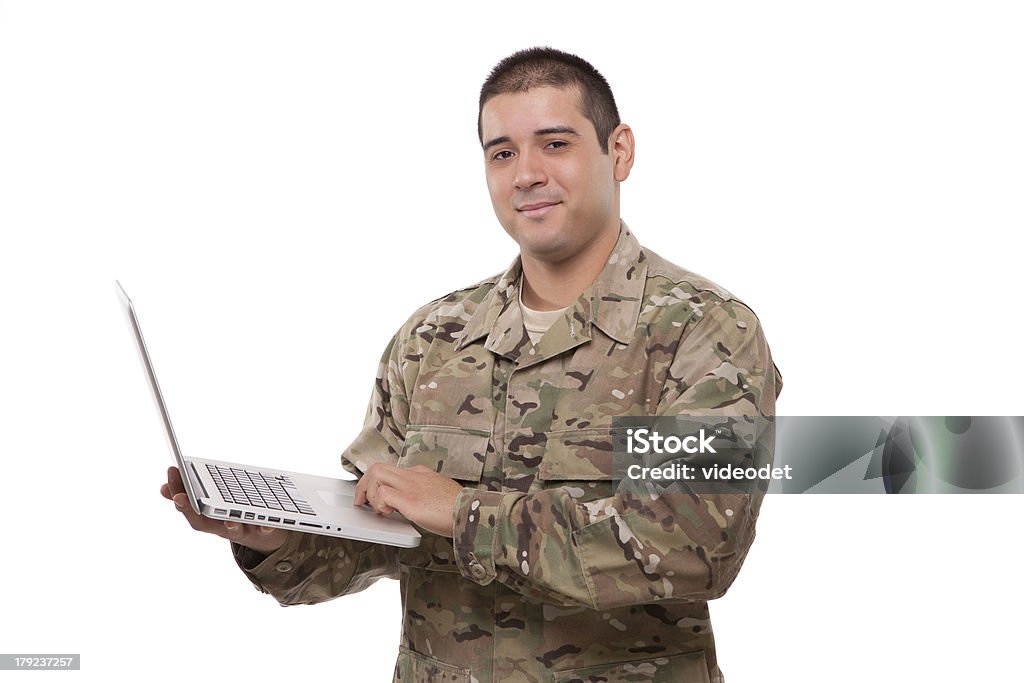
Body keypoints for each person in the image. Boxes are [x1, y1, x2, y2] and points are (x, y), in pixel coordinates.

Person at [161, 46, 783, 683]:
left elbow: (693, 547)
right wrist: (272, 533)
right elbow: (374, 534)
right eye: (502, 152)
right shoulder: (433, 337)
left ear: (618, 151)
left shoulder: (703, 332)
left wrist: (462, 514)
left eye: (556, 143)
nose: (526, 175)